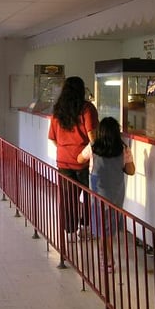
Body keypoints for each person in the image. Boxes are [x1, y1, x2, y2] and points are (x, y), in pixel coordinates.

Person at [77, 117, 135, 272]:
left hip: (97, 194)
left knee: (102, 227)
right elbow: (131, 171)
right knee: (109, 228)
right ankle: (107, 258)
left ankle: (106, 259)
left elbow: (79, 158)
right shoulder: (123, 149)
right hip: (116, 194)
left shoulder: (93, 146)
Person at [48, 76, 98, 240]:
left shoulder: (58, 111)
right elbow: (92, 136)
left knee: (68, 198)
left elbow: (53, 138)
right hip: (84, 161)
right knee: (89, 195)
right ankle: (85, 226)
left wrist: (65, 150)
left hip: (63, 161)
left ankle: (69, 232)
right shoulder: (86, 108)